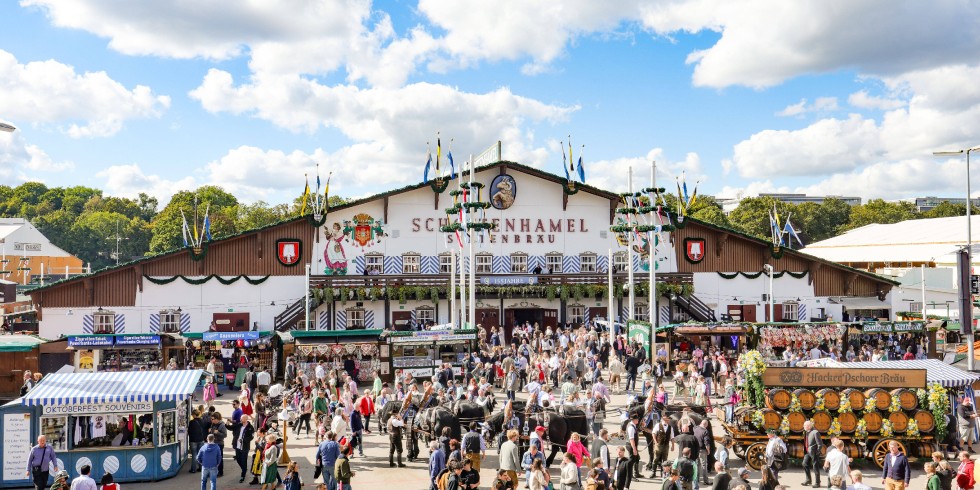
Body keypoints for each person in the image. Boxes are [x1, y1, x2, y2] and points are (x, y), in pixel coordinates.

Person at [234, 414, 255, 483]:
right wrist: (227, 424)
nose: (240, 420)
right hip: (238, 446)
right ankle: (244, 469)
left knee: (244, 461)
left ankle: (243, 475)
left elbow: (251, 437)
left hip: (245, 447)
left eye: (242, 418)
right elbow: (233, 427)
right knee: (238, 459)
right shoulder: (239, 425)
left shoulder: (250, 428)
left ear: (246, 419)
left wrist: (243, 440)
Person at [801, 420, 823, 487]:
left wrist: (817, 452)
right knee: (804, 464)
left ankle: (817, 483)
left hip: (814, 452)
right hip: (808, 452)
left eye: (805, 425)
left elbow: (820, 444)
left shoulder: (815, 432)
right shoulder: (806, 432)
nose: (803, 426)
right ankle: (808, 480)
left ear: (809, 426)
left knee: (815, 467)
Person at [208, 413, 228, 477]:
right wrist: (210, 431)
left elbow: (225, 435)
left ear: (217, 419)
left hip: (219, 444)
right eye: (211, 419)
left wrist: (218, 433)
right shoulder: (213, 424)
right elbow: (212, 432)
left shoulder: (222, 425)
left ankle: (220, 472)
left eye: (213, 419)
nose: (212, 420)